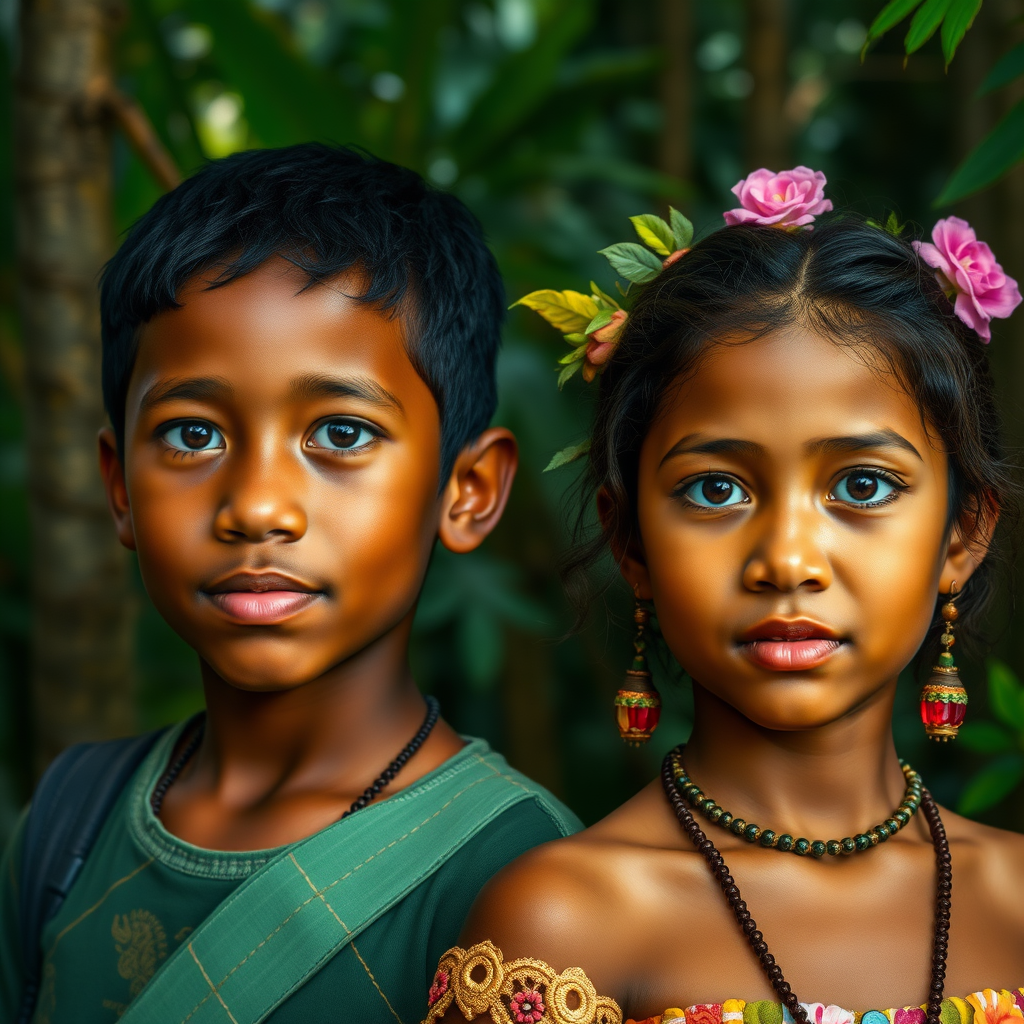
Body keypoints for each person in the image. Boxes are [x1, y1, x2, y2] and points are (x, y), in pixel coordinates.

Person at [424, 168, 1024, 1024]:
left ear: (961, 535)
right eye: (715, 491)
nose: (786, 560)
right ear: (630, 541)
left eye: (860, 487)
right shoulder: (560, 930)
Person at [0, 143, 581, 1024]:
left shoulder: (522, 879)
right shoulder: (72, 822)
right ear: (120, 489)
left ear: (466, 491)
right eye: (193, 436)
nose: (258, 507)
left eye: (341, 435)